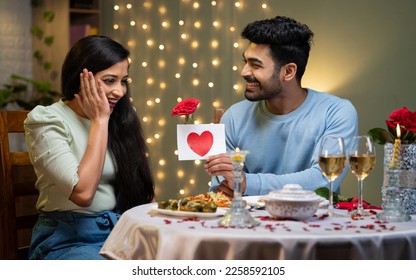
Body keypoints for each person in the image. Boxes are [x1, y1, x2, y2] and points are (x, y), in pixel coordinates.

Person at [24, 35, 155, 260]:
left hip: (119, 233)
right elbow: (82, 193)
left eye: (123, 81)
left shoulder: (121, 117)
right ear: (80, 78)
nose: (119, 91)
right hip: (66, 240)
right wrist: (100, 121)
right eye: (109, 80)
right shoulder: (46, 120)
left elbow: (140, 190)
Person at [205, 16, 358, 197]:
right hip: (249, 223)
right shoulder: (234, 116)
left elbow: (324, 181)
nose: (244, 72)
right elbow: (223, 189)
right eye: (245, 62)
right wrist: (239, 183)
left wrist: (248, 183)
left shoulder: (336, 112)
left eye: (256, 65)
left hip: (316, 221)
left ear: (288, 71)